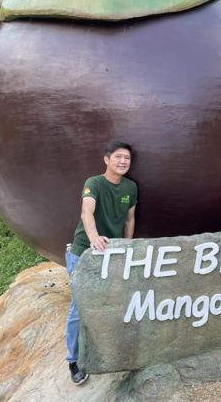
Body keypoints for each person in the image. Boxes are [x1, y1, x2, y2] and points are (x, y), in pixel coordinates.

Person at [65, 141, 137, 385]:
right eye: (118, 157)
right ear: (107, 159)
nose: (123, 162)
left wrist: (127, 246)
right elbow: (87, 212)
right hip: (84, 252)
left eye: (127, 158)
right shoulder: (93, 183)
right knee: (79, 307)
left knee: (113, 302)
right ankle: (73, 360)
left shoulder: (131, 187)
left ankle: (110, 353)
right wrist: (94, 238)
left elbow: (130, 219)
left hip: (112, 253)